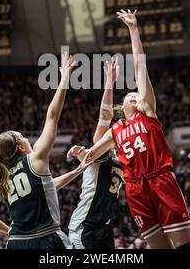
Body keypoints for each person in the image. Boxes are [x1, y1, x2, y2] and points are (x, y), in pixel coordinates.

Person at [83, 10, 190, 249]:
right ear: (121, 107)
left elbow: (139, 67)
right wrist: (82, 154)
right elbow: (93, 150)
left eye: (137, 94)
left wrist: (133, 29)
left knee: (185, 246)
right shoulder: (115, 129)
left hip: (160, 180)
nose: (135, 96)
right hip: (135, 189)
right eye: (130, 95)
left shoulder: (147, 112)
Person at [0, 53, 90, 249]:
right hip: (45, 239)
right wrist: (65, 78)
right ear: (20, 146)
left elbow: (47, 186)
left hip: (16, 242)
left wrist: (78, 171)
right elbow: (52, 116)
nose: (28, 138)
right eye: (23, 136)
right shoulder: (35, 159)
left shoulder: (6, 175)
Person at [67, 59, 123, 249]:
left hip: (105, 226)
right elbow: (105, 117)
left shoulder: (123, 156)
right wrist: (110, 82)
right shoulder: (102, 150)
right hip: (86, 225)